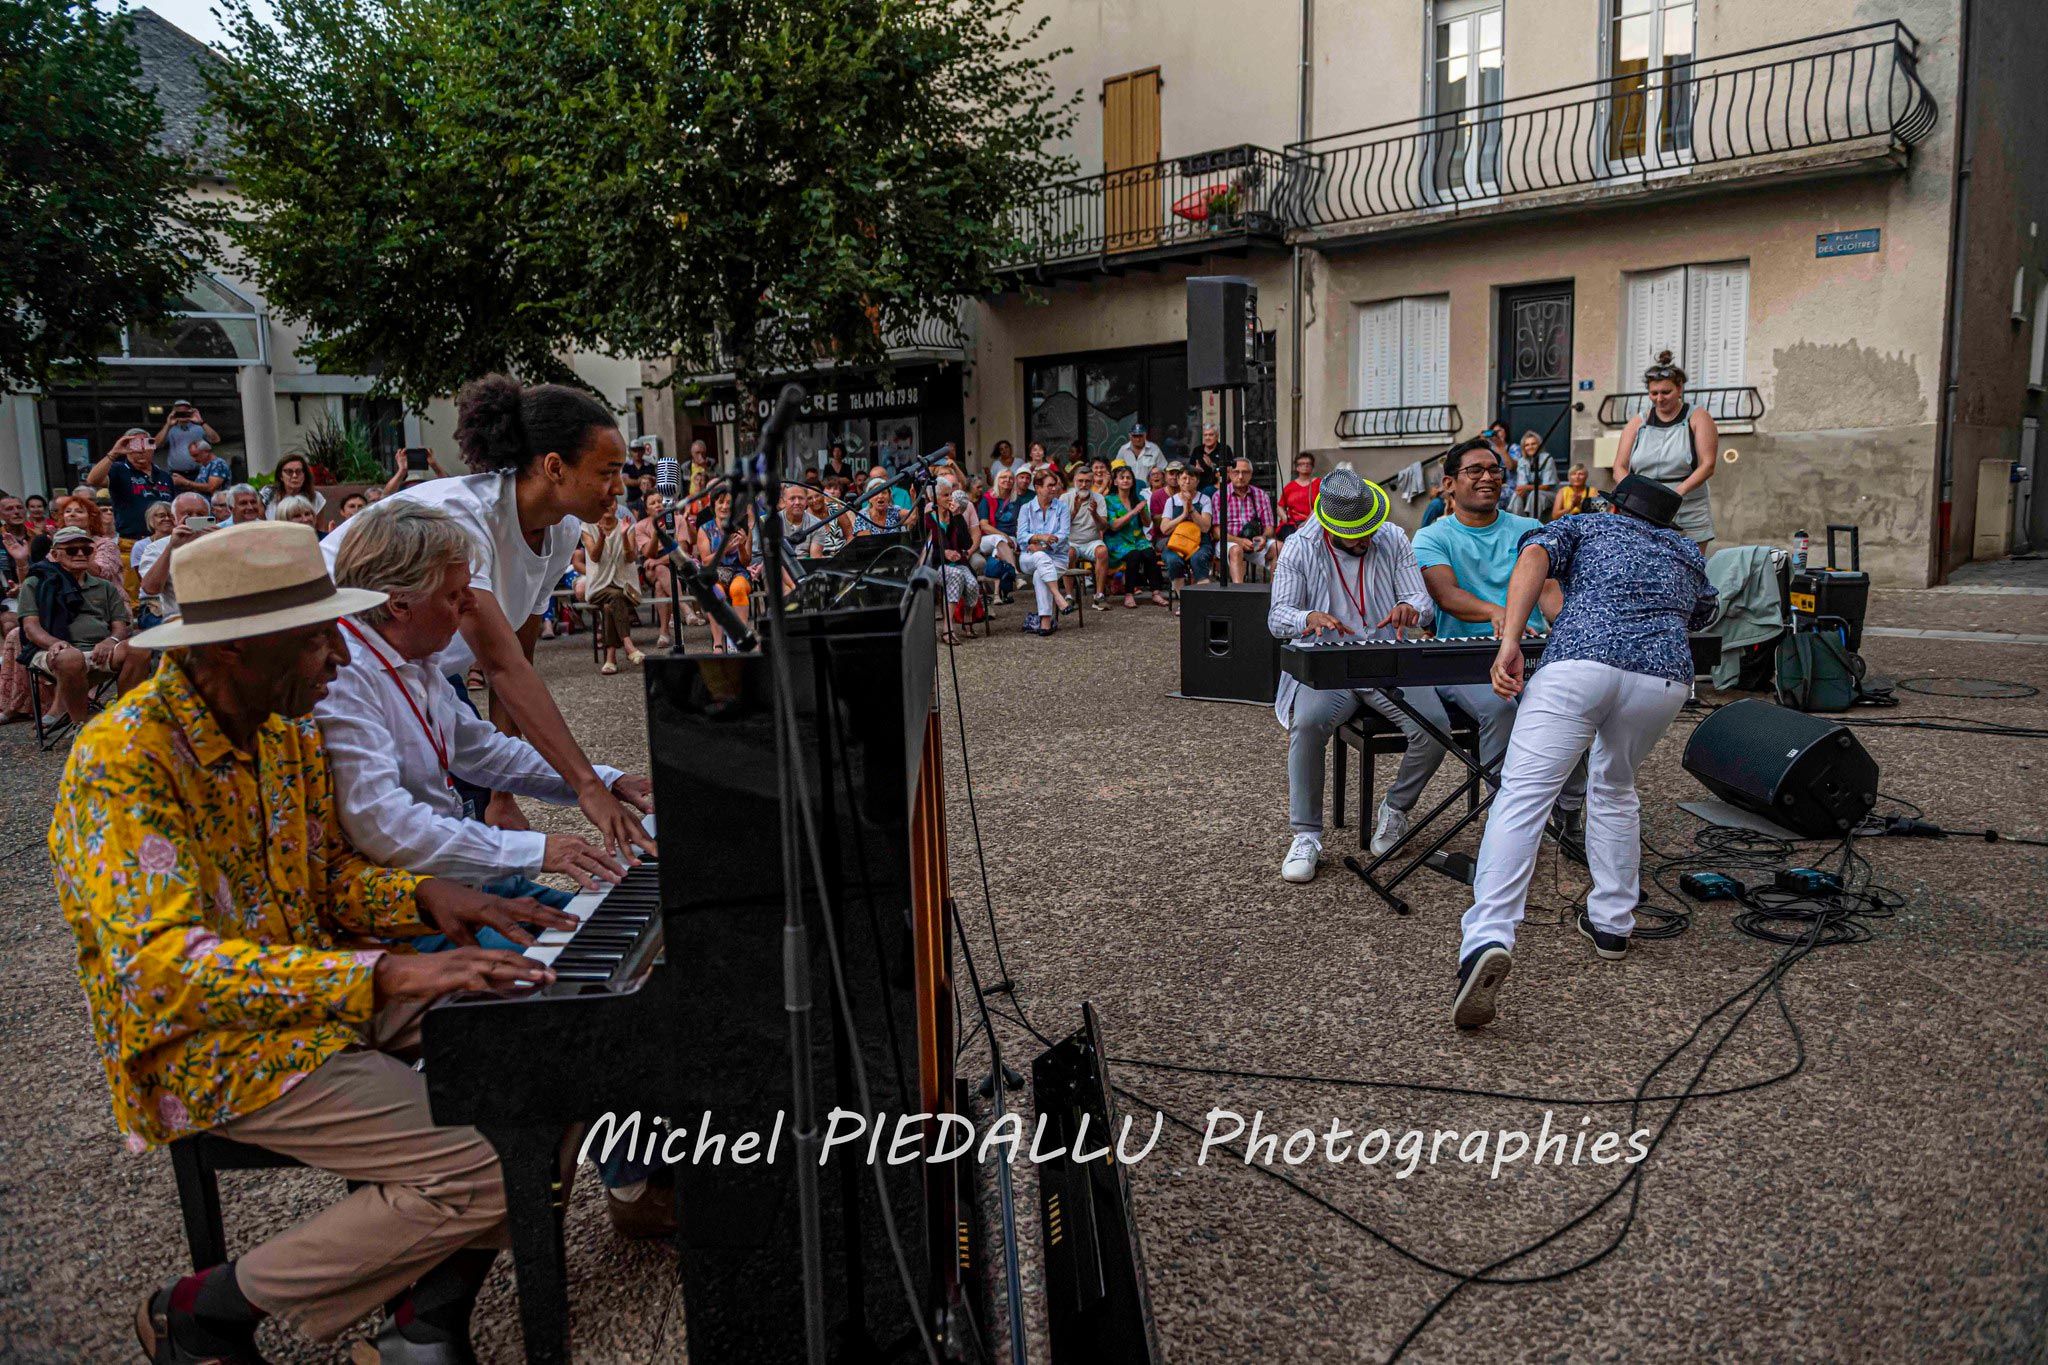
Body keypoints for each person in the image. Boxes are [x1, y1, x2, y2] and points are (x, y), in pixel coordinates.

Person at [53, 520, 575, 1363]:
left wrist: (424, 894)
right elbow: (163, 967)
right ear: (230, 650)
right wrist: (386, 975)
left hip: (324, 996)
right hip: (211, 1047)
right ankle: (203, 1307)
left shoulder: (285, 728)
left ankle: (424, 1321)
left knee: (555, 1049)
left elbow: (324, 876)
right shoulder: (123, 759)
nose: (340, 658)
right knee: (490, 1162)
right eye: (314, 640)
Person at [322, 374, 657, 861]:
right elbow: (501, 666)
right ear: (554, 467)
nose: (617, 488)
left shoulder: (560, 531)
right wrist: (586, 787)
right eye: (608, 471)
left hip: (416, 663)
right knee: (401, 821)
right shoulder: (461, 519)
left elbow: (519, 655)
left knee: (463, 785)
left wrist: (508, 797)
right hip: (346, 660)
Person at [1450, 475, 1718, 1030]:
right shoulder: (1686, 551)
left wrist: (1510, 644)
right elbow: (1703, 614)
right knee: (1616, 787)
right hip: (1663, 681)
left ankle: (1487, 940)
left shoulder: (1586, 523)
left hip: (1581, 663)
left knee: (1523, 797)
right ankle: (1613, 924)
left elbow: (1533, 556)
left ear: (1613, 505)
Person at [1408, 437, 1581, 852]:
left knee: (1575, 704)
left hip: (1535, 654)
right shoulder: (1432, 536)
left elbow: (1550, 593)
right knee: (1501, 707)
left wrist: (1570, 626)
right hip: (1464, 659)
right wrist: (1499, 614)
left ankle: (1569, 815)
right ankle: (1504, 821)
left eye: (1495, 470)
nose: (1488, 477)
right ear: (1449, 484)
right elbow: (1446, 595)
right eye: (1475, 471)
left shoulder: (1529, 530)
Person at [1266, 470, 1433, 883]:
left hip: (1387, 660)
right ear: (1330, 526)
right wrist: (1308, 616)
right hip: (1329, 665)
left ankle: (1395, 808)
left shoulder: (1393, 537)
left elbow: (1422, 603)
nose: (1366, 539)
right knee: (1306, 724)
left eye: (1369, 530)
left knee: (1435, 729)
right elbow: (1276, 618)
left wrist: (1410, 608)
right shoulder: (1299, 549)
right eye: (1357, 534)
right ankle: (1306, 834)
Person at [21, 524, 151, 726]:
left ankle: (126, 718)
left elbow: (120, 624)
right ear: (55, 555)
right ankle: (80, 726)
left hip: (101, 651)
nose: (81, 553)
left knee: (139, 648)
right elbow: (31, 627)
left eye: (87, 550)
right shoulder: (36, 584)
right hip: (53, 651)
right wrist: (55, 643)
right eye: (72, 550)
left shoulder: (104, 586)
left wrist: (111, 640)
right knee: (70, 657)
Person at [1612, 350, 1719, 548]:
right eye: (1654, 393)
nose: (1659, 399)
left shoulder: (1698, 417)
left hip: (1687, 505)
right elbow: (1619, 465)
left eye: (1665, 392)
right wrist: (1633, 492)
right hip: (1643, 507)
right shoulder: (1637, 422)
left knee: (1689, 567)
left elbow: (1708, 465)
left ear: (1680, 389)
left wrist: (1675, 494)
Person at [84, 428, 179, 542]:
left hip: (164, 539)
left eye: (146, 444)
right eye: (135, 445)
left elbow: (173, 507)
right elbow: (92, 480)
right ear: (127, 448)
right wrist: (114, 452)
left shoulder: (164, 475)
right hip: (132, 540)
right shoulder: (119, 469)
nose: (141, 450)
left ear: (152, 448)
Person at [135, 492, 212, 631]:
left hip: (218, 619)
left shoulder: (221, 541)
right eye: (187, 514)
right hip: (180, 622)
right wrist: (172, 547)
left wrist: (224, 542)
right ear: (174, 518)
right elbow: (150, 589)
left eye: (201, 514)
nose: (194, 518)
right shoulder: (156, 548)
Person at [582, 503, 644, 672]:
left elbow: (631, 558)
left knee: (610, 606)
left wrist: (624, 535)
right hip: (598, 587)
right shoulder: (588, 526)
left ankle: (611, 658)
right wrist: (601, 537)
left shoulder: (626, 525)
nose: (609, 506)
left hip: (624, 586)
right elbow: (594, 557)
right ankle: (628, 644)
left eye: (613, 502)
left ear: (617, 506)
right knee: (614, 597)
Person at [1015, 468, 1074, 635]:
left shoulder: (1062, 508)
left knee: (1039, 573)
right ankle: (1058, 596)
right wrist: (1042, 536)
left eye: (1055, 485)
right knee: (1039, 559)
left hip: (1057, 558)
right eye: (1050, 486)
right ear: (1038, 488)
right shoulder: (1026, 508)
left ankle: (1045, 622)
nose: (1054, 489)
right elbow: (1021, 537)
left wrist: (1041, 546)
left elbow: (1063, 535)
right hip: (1028, 559)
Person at [696, 489, 755, 652]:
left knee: (738, 589)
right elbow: (706, 561)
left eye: (729, 503)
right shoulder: (705, 529)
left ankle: (741, 639)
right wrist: (725, 550)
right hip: (715, 573)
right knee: (716, 593)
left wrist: (742, 545)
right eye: (721, 502)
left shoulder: (741, 527)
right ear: (714, 504)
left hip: (738, 571)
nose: (724, 506)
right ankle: (718, 643)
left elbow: (746, 561)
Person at [1104, 464, 1167, 607]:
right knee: (1134, 555)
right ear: (1115, 482)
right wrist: (1133, 512)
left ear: (1133, 481)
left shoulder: (1138, 498)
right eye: (1122, 478)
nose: (1125, 480)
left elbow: (1146, 523)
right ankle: (1129, 594)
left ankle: (1156, 592)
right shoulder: (1109, 500)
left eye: (1128, 478)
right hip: (1118, 541)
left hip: (1138, 539)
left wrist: (1142, 511)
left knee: (1149, 553)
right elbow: (1113, 525)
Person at [930, 487, 984, 642]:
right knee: (956, 576)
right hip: (935, 564)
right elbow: (922, 549)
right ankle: (948, 628)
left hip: (958, 563)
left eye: (951, 495)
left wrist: (958, 516)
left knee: (972, 583)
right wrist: (943, 553)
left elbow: (967, 544)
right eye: (946, 495)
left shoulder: (955, 517)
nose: (950, 499)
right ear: (935, 498)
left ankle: (967, 620)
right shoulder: (928, 519)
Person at [1158, 466, 1215, 606]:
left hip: (1200, 542)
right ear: (1178, 480)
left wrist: (1192, 509)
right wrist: (1183, 515)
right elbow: (1164, 529)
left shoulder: (1205, 499)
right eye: (1184, 478)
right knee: (1173, 561)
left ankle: (1202, 604)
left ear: (1197, 481)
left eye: (1192, 478)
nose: (1187, 481)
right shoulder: (1171, 501)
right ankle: (1185, 604)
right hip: (1176, 543)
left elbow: (1206, 527)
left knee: (1198, 558)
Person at [1217, 456, 1278, 583]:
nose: (1240, 476)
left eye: (1245, 472)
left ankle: (1274, 593)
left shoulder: (1260, 495)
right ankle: (1239, 595)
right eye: (1236, 472)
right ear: (1229, 473)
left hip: (1253, 541)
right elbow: (1216, 532)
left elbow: (1269, 527)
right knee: (1236, 550)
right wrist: (1239, 541)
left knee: (1280, 547)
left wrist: (1264, 537)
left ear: (1251, 474)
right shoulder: (1220, 495)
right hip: (1229, 540)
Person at [1061, 462, 1112, 608]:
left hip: (1091, 541)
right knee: (1068, 553)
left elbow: (1104, 526)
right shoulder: (1065, 498)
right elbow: (1060, 527)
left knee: (1102, 552)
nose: (1084, 485)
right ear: (1074, 481)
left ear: (1092, 482)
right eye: (1080, 481)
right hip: (1071, 541)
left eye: (1087, 481)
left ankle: (1099, 596)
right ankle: (1069, 596)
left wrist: (1095, 514)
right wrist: (1074, 511)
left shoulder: (1099, 498)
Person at [634, 491, 679, 649]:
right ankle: (684, 608)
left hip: (678, 565)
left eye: (660, 501)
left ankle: (664, 633)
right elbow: (648, 554)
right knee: (659, 570)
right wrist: (655, 533)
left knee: (661, 583)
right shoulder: (640, 526)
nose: (658, 505)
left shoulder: (677, 520)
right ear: (646, 510)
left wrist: (658, 560)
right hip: (651, 570)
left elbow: (683, 551)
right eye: (652, 503)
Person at [49, 493, 124, 582]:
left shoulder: (106, 544)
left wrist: (81, 551)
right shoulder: (58, 544)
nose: (72, 514)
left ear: (91, 517)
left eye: (79, 511)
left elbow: (103, 574)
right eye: (68, 511)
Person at [131, 501, 176, 628]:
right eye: (161, 515)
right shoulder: (141, 546)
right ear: (151, 520)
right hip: (153, 602)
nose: (166, 519)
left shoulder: (188, 540)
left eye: (170, 515)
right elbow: (145, 582)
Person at [151, 397, 220, 475]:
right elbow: (154, 445)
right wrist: (168, 425)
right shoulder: (169, 429)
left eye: (185, 412)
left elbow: (216, 440)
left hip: (198, 472)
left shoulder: (199, 428)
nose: (182, 415)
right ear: (173, 413)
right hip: (176, 473)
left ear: (190, 412)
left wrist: (201, 422)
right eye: (179, 413)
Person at [262, 455, 328, 522]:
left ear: (305, 475)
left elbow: (320, 530)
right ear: (280, 476)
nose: (295, 475)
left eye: (299, 471)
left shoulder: (316, 497)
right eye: (289, 472)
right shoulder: (269, 494)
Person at [1509, 430, 1557, 520]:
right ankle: (1517, 522)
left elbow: (1547, 486)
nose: (1530, 447)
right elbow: (1521, 486)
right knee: (1517, 495)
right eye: (1527, 445)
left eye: (1533, 444)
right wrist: (1522, 490)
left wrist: (1526, 488)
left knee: (1534, 494)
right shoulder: (1522, 461)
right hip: (1531, 492)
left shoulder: (1547, 459)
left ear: (1539, 445)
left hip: (1549, 494)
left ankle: (1533, 524)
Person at [1278, 452, 1320, 536]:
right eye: (1302, 464)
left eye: (1308, 464)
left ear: (1312, 467)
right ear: (1297, 467)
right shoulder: (1290, 486)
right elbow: (1280, 506)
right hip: (1291, 524)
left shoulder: (1319, 483)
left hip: (1312, 523)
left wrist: (1306, 523)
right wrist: (1284, 516)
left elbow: (1319, 506)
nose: (1305, 466)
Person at [1188, 423, 1231, 491]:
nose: (1207, 438)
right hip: (1199, 489)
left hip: (1219, 489)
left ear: (1217, 436)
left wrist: (1212, 465)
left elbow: (1229, 472)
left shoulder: (1225, 449)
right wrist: (1195, 470)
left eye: (1211, 435)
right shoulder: (1197, 450)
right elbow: (1189, 469)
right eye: (1205, 435)